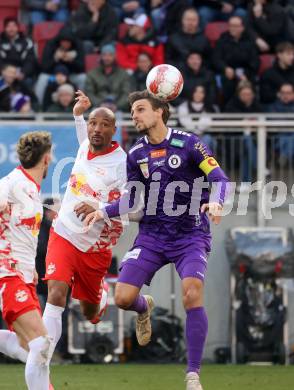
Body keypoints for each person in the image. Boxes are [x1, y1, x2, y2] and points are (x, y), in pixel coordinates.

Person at [85, 90, 229, 390]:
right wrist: (103, 212)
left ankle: (192, 374)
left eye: (139, 110)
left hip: (190, 234)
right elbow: (132, 200)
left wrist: (216, 202)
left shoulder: (189, 143)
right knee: (122, 298)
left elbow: (219, 179)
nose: (134, 115)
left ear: (160, 111)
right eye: (133, 110)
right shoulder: (136, 153)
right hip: (152, 235)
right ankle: (143, 308)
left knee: (192, 293)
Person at [42, 90, 127, 372]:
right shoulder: (84, 147)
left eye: (104, 125)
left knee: (89, 312)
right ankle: (42, 357)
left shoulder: (122, 164)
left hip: (94, 247)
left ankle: (100, 296)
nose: (96, 129)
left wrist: (99, 205)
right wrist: (78, 114)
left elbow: (130, 203)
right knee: (55, 293)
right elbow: (83, 138)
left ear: (114, 130)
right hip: (64, 232)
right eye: (93, 123)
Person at [0, 131, 53, 389]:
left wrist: (30, 267)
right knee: (41, 344)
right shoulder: (11, 183)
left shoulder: (32, 189)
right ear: (46, 158)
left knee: (27, 345)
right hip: (7, 273)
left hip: (23, 274)